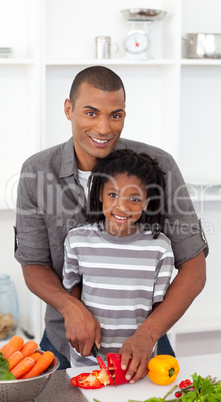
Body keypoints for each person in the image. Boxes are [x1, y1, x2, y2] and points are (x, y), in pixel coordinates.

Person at [14, 65, 208, 382]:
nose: (104, 128)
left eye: (115, 115)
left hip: (145, 349)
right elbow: (33, 264)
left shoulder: (159, 166)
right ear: (68, 109)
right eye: (91, 113)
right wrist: (70, 307)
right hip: (64, 346)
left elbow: (194, 267)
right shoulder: (37, 172)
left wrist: (148, 334)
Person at [62, 149, 175, 370]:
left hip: (137, 363)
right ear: (100, 195)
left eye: (134, 198)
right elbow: (72, 291)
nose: (122, 206)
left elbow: (159, 308)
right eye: (113, 195)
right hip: (88, 362)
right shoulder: (77, 241)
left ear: (146, 201)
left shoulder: (160, 248)